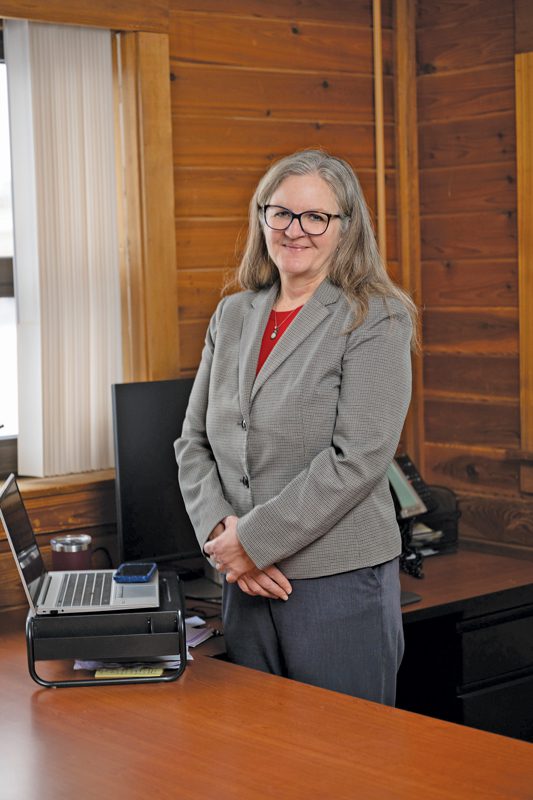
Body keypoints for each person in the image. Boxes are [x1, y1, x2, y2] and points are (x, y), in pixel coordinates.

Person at [175, 149, 417, 704]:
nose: (295, 230)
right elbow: (193, 440)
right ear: (262, 219)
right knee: (260, 764)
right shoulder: (233, 315)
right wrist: (223, 539)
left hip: (337, 582)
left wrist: (253, 543)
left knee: (342, 767)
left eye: (316, 217)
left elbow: (356, 459)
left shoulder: (374, 316)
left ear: (346, 227)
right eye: (280, 213)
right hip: (242, 581)